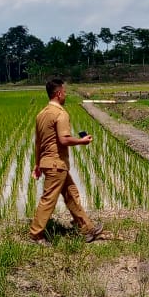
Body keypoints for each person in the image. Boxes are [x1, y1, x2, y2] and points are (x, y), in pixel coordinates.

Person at [29, 78, 103, 245]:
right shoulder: (61, 113)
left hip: (50, 163)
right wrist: (81, 141)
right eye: (65, 91)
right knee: (48, 199)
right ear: (59, 93)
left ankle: (87, 229)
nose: (66, 94)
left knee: (71, 194)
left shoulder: (41, 114)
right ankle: (35, 233)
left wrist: (37, 164)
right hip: (57, 164)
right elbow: (63, 140)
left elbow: (38, 143)